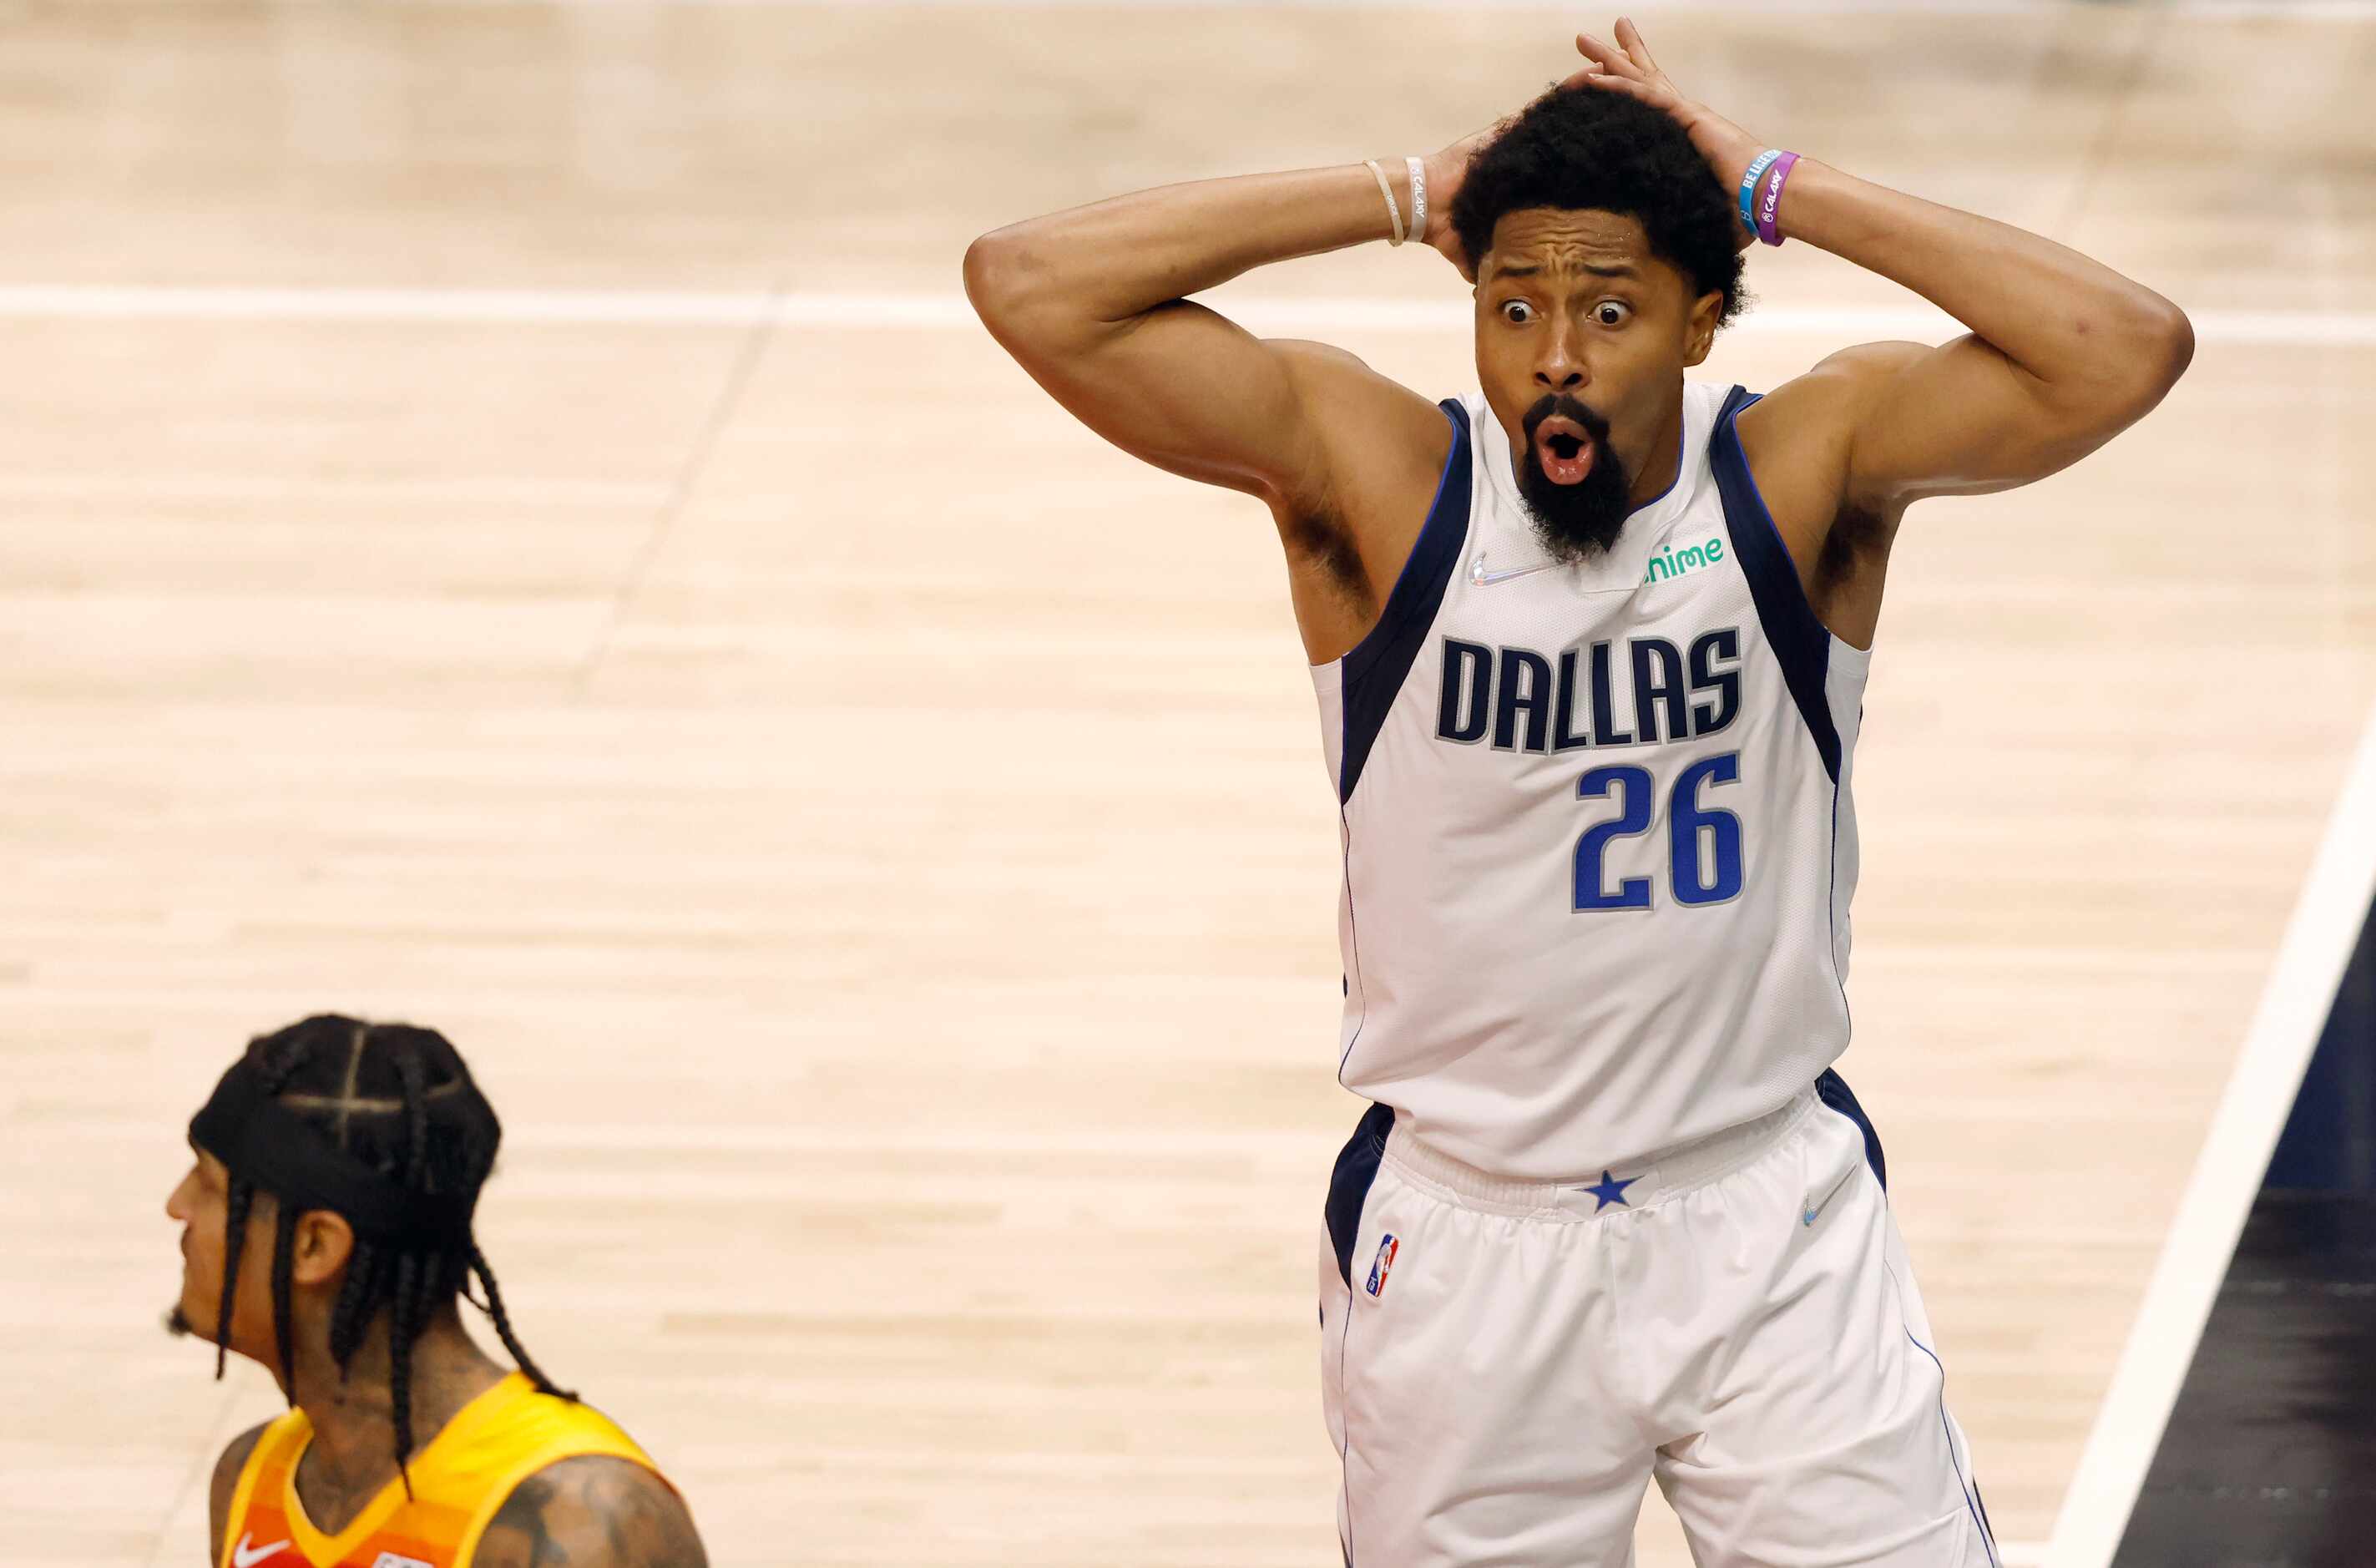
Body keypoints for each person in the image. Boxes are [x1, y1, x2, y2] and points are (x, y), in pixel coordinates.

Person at [964, 18, 2189, 1567]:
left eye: (1609, 309)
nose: (1553, 354)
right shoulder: (1383, 486)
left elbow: (2122, 345)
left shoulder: (1805, 474)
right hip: (1473, 1245)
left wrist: (1771, 184)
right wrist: (1416, 189)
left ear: (1699, 323)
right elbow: (1027, 283)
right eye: (1513, 304)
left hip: (1765, 1223)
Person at [166, 1014, 707, 1568]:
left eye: (208, 1186)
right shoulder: (253, 1481)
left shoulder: (583, 1524)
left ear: (314, 1246)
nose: (176, 1207)